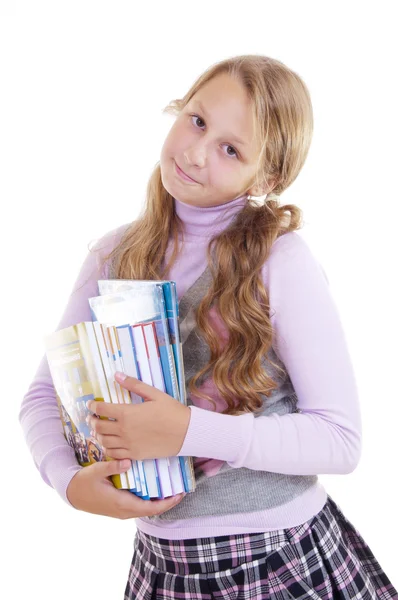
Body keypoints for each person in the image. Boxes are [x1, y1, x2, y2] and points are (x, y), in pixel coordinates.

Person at [19, 54, 398, 599]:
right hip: (161, 567)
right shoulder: (113, 254)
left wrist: (187, 430)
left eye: (230, 149)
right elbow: (42, 396)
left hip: (276, 558)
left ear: (267, 175)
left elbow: (340, 440)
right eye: (197, 120)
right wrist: (69, 482)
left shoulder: (279, 260)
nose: (195, 153)